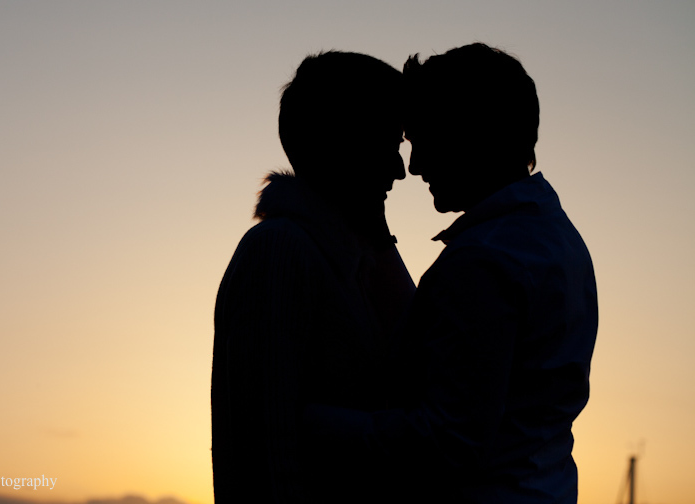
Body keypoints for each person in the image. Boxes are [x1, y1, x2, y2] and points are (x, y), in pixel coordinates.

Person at [307, 43, 598, 503]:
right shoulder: (555, 237)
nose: (415, 166)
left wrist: (306, 422)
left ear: (471, 134)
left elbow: (448, 439)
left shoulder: (485, 259)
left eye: (424, 137)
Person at [211, 51, 415, 503]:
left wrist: (377, 235)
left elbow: (416, 362)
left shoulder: (349, 261)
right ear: (346, 143)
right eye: (389, 143)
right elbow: (269, 450)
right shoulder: (281, 251)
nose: (401, 170)